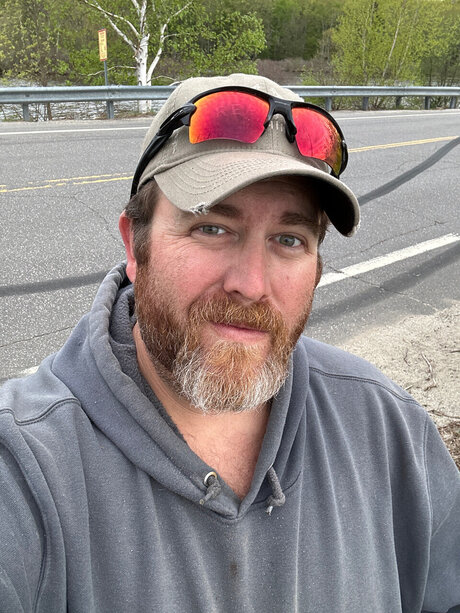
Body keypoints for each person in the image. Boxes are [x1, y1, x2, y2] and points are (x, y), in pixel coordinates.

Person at [0, 73, 458, 613]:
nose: (251, 284)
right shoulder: (25, 471)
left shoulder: (386, 428)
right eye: (212, 228)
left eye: (289, 240)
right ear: (134, 245)